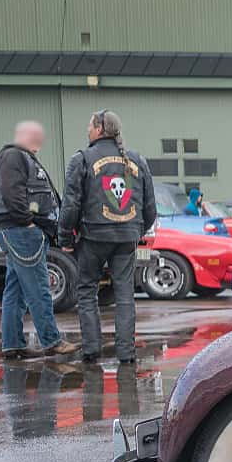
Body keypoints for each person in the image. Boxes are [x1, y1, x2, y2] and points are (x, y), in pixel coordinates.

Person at [60, 109, 156, 365]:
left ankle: (91, 351)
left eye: (90, 126)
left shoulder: (81, 159)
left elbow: (70, 204)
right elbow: (150, 208)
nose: (87, 130)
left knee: (87, 291)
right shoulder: (138, 160)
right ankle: (127, 353)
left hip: (93, 236)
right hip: (126, 237)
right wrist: (136, 231)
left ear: (100, 129)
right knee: (125, 296)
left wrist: (65, 239)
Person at [0, 121, 78, 360]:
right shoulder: (13, 157)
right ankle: (52, 341)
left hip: (19, 231)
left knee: (15, 290)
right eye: (36, 136)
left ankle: (13, 345)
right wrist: (27, 221)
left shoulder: (22, 158)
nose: (40, 140)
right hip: (21, 232)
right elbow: (12, 193)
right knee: (38, 288)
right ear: (26, 136)